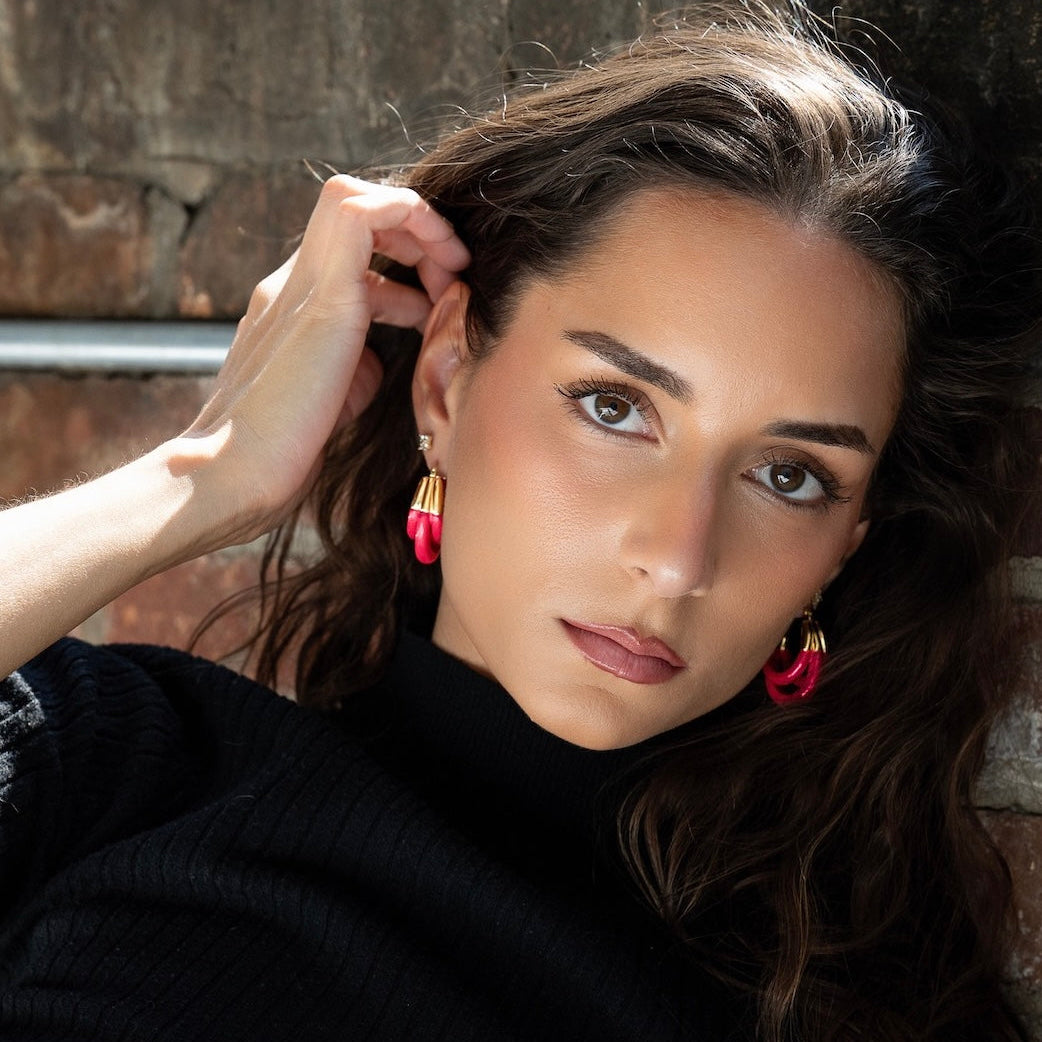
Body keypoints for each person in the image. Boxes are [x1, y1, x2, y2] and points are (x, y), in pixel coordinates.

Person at [1, 2, 1038, 1039]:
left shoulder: (853, 1018)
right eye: (614, 406)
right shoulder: (127, 770)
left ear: (846, 541)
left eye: (789, 474)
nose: (677, 559)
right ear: (448, 377)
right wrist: (204, 475)